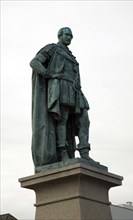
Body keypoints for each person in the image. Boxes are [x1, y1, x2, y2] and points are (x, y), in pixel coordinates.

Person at [30, 27, 93, 169]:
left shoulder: (72, 56)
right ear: (59, 36)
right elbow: (34, 63)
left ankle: (84, 152)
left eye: (71, 35)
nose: (69, 37)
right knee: (62, 119)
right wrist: (49, 74)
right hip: (61, 87)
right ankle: (63, 152)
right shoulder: (52, 49)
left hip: (76, 90)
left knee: (84, 120)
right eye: (66, 34)